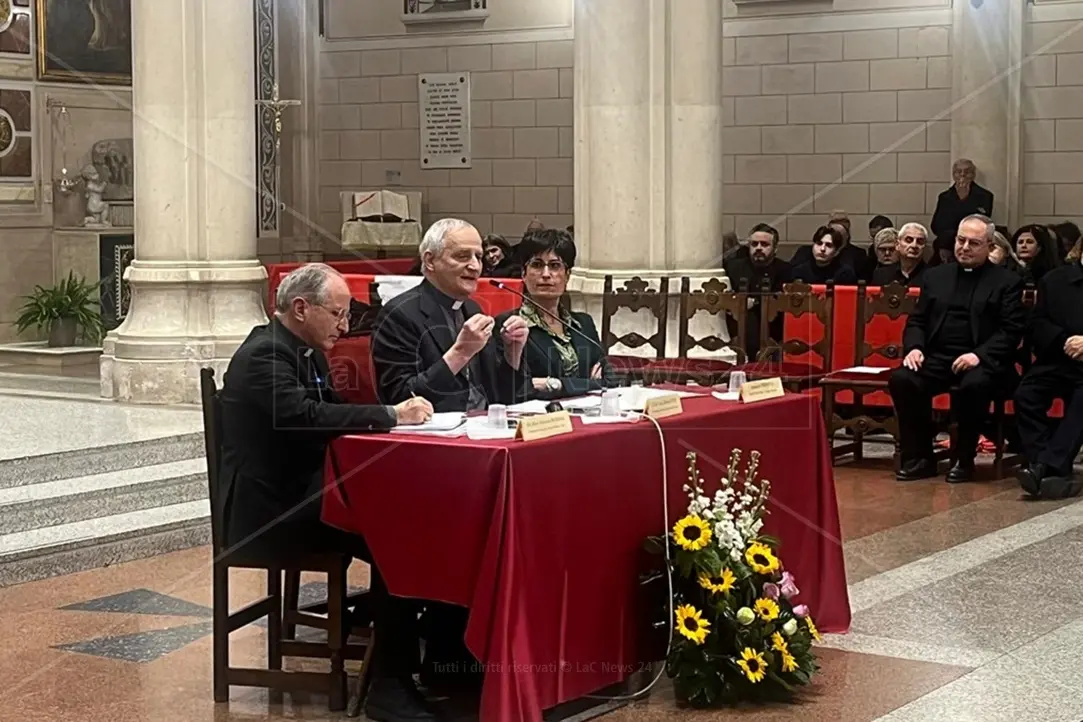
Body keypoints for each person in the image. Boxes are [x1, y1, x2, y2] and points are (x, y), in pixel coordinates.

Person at [217, 263, 440, 721]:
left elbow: (334, 412)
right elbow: (306, 417)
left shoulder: (302, 350)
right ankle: (388, 685)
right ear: (301, 308)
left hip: (305, 493)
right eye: (338, 314)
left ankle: (439, 656)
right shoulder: (265, 355)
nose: (345, 325)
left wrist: (384, 423)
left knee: (419, 522)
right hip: (269, 511)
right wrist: (392, 415)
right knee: (399, 540)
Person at [888, 215, 1026, 483]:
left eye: (973, 243)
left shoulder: (1006, 281)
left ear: (988, 246)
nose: (964, 247)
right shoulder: (936, 276)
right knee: (903, 379)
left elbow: (1011, 331)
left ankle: (963, 460)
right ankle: (920, 458)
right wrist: (915, 348)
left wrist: (978, 355)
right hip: (939, 357)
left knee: (973, 385)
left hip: (985, 361)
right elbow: (917, 320)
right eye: (960, 240)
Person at [371, 218, 532, 413]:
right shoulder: (398, 315)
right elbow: (401, 398)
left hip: (484, 427)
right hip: (436, 435)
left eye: (478, 257)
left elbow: (504, 396)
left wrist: (512, 352)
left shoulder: (472, 309)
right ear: (430, 261)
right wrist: (460, 353)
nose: (475, 266)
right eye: (463, 256)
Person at [495, 228, 616, 398]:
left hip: (587, 416)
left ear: (567, 275)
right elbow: (517, 390)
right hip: (541, 419)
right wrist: (589, 384)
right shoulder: (509, 325)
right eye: (536, 265)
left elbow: (609, 380)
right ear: (523, 273)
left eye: (555, 266)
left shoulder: (583, 323)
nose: (546, 274)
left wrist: (554, 384)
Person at [1013, 260, 1083, 499]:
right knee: (1026, 394)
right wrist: (1064, 340)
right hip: (1058, 358)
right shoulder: (1054, 280)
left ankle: (1043, 467)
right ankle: (1053, 468)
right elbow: (1037, 323)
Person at [724, 223, 792, 359]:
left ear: (775, 248)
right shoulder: (733, 267)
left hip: (772, 331)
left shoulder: (785, 270)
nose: (758, 248)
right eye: (754, 244)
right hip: (738, 329)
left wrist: (754, 302)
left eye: (764, 244)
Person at [930, 158, 994, 264]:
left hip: (973, 247)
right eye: (959, 172)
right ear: (953, 175)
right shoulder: (944, 197)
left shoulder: (985, 196)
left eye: (967, 172)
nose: (962, 175)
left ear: (973, 175)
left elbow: (982, 223)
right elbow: (936, 226)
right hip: (946, 246)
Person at [791, 226, 859, 284]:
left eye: (829, 245)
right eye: (819, 243)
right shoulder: (799, 272)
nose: (822, 249)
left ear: (837, 252)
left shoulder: (845, 274)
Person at [872, 222, 929, 287]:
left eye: (920, 241)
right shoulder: (881, 275)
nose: (914, 245)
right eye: (908, 240)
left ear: (924, 246)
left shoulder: (934, 276)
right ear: (897, 245)